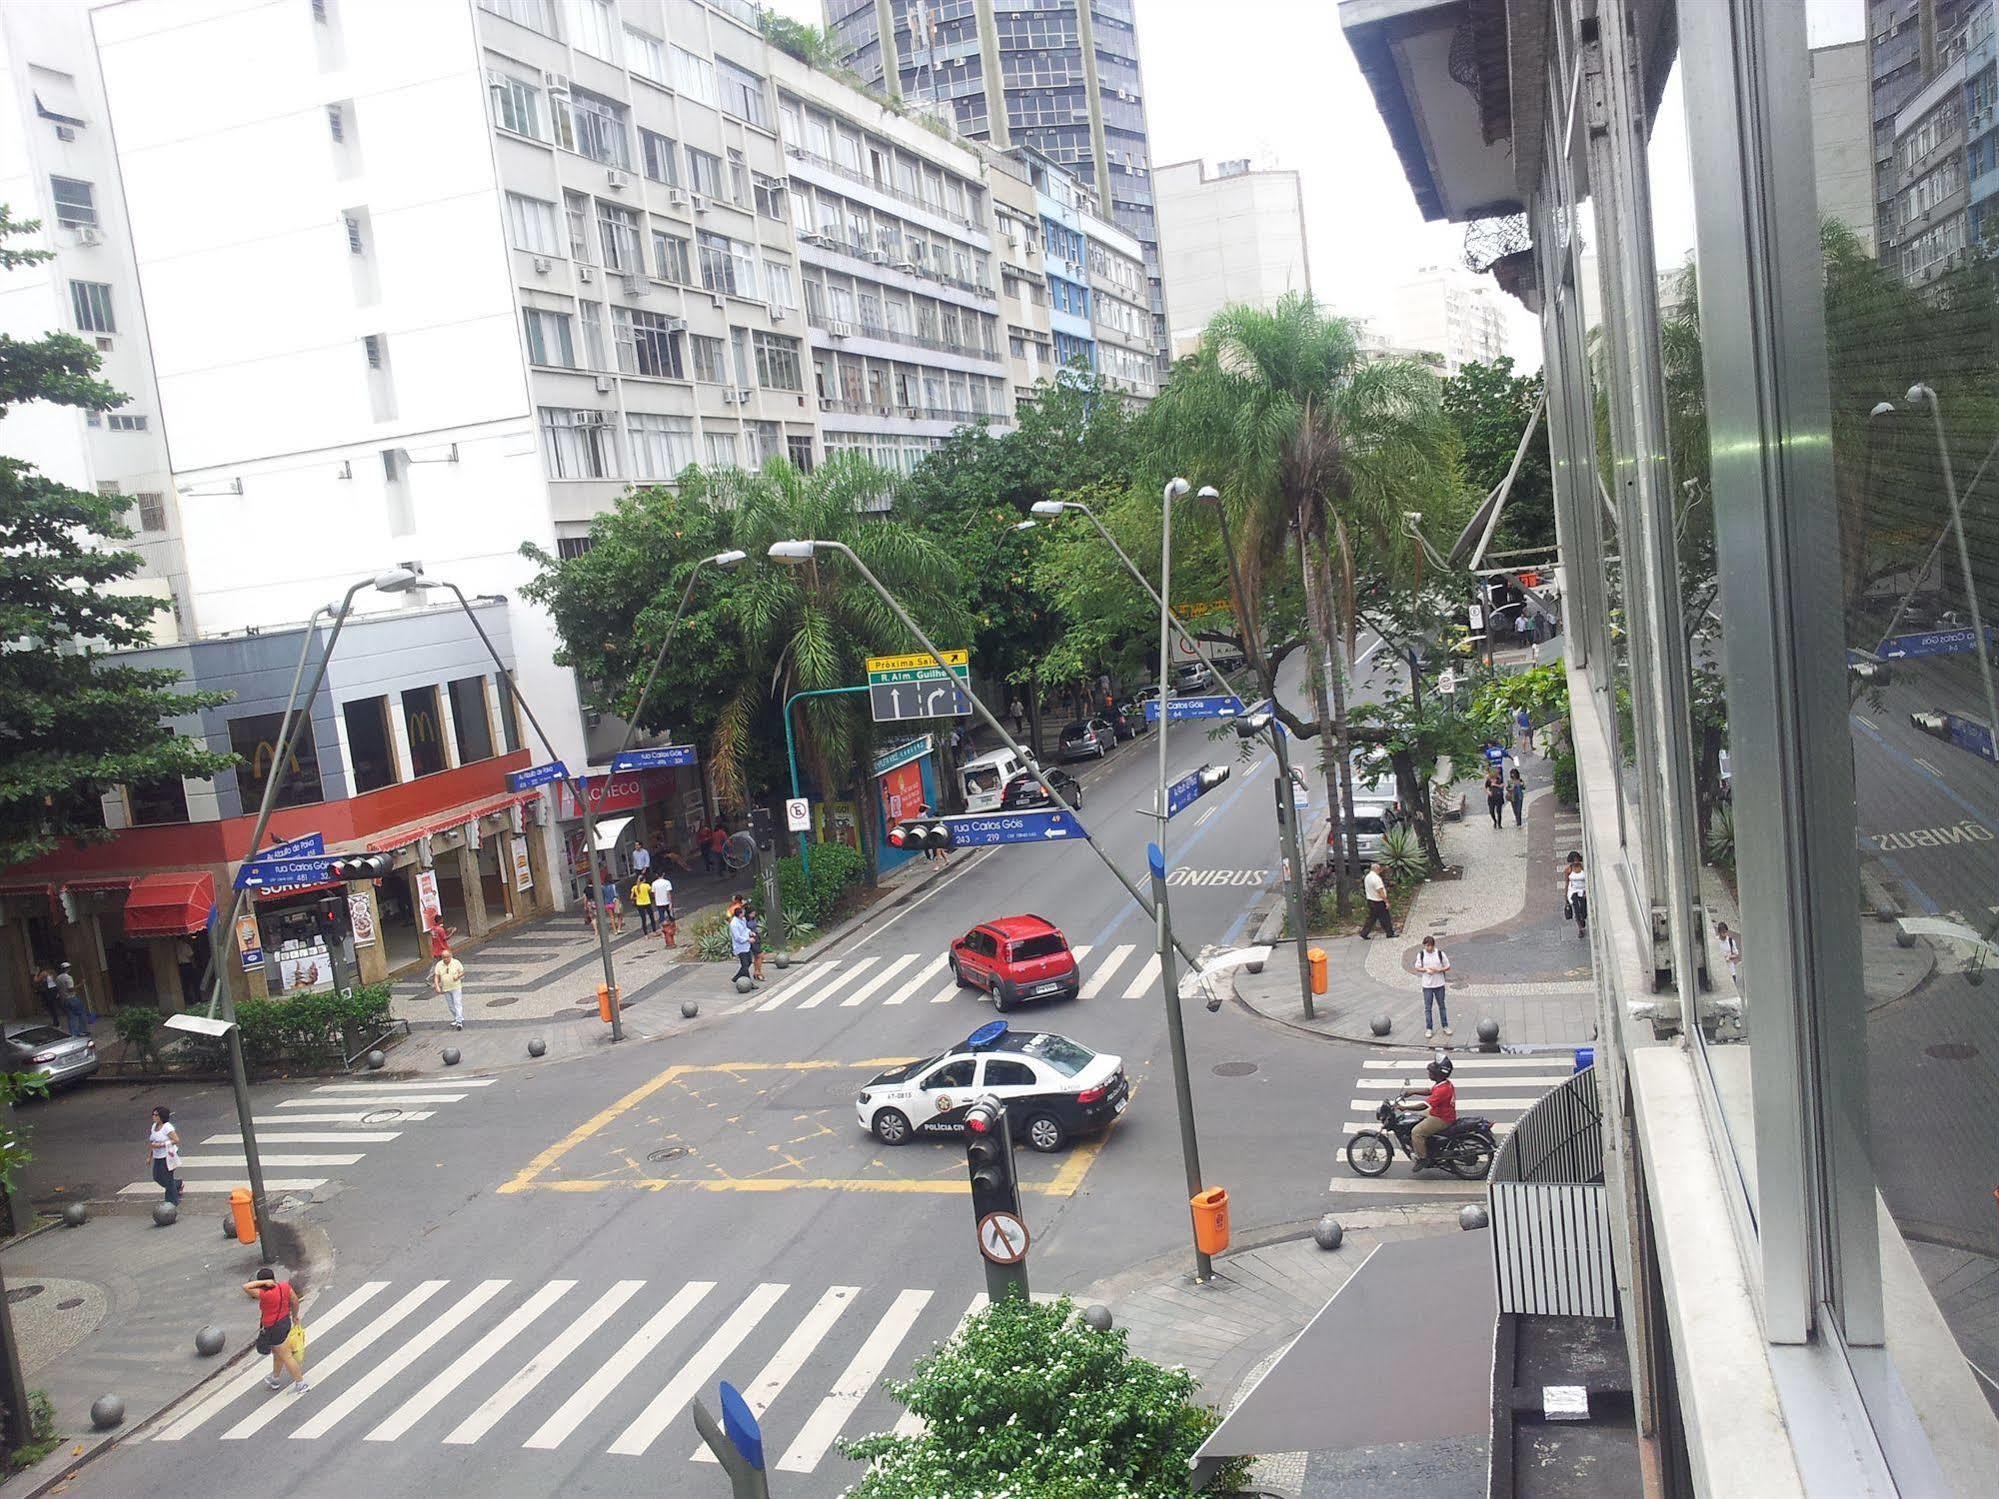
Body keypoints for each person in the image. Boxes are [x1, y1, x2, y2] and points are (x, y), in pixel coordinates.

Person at [243, 1267, 307, 1394]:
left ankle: (301, 1384)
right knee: (278, 1353)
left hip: (273, 1328)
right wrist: (294, 1316)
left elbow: (246, 1287)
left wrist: (262, 1283)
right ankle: (275, 1378)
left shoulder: (264, 1294)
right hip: (285, 1322)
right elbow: (294, 1301)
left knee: (286, 1356)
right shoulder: (284, 1286)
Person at [1401, 1054, 1457, 1169]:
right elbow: (1429, 1091)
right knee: (1416, 1118)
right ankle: (1427, 1145)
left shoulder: (1442, 1090)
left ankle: (1423, 1159)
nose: (1429, 1073)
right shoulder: (1444, 1084)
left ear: (1439, 1074)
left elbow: (1423, 1106)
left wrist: (1406, 1107)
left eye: (1432, 1071)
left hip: (1442, 1118)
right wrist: (1412, 1092)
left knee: (1416, 1132)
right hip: (1441, 1113)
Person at [1416, 935, 1452, 1039]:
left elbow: (1448, 966)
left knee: (1442, 1006)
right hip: (1427, 985)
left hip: (1439, 984)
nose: (1428, 948)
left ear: (1433, 945)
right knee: (1428, 1008)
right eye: (1426, 946)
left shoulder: (1440, 954)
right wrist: (1426, 970)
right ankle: (1429, 1028)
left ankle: (1445, 1026)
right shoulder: (1421, 954)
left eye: (1430, 946)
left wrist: (1438, 970)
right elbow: (1417, 967)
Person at [147, 1105, 182, 1210]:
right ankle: (178, 1184)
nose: (153, 1116)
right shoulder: (154, 1127)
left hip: (167, 1155)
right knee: (157, 1177)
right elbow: (152, 1143)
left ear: (161, 1116)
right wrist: (149, 1156)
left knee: (167, 1178)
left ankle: (172, 1202)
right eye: (153, 1114)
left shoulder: (167, 1127)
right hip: (158, 1157)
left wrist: (162, 1144)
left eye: (156, 1115)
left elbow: (176, 1140)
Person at [431, 946, 466, 1030]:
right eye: (444, 957)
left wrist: (457, 976)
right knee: (450, 1005)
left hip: (456, 987)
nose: (445, 959)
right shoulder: (439, 964)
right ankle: (457, 1017)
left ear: (451, 956)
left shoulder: (456, 962)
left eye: (447, 957)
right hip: (446, 988)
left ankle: (459, 1022)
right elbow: (436, 976)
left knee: (457, 1003)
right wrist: (437, 986)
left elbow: (463, 972)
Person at [1359, 861, 1395, 940]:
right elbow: (1380, 891)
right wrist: (1386, 901)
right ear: (1377, 869)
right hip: (1378, 901)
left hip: (1370, 900)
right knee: (1385, 917)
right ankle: (1390, 933)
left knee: (1372, 918)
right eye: (1380, 869)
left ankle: (1364, 933)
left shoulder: (1367, 877)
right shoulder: (1376, 879)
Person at [54, 962, 90, 1038]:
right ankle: (82, 1031)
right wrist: (81, 984)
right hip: (72, 998)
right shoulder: (68, 977)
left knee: (71, 1017)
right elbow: (70, 989)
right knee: (81, 1013)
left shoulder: (58, 978)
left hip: (63, 999)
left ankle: (73, 1034)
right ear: (68, 968)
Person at [1563, 851, 1589, 939]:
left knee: (1584, 910)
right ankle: (1580, 929)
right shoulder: (1568, 870)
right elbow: (1567, 883)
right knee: (1576, 910)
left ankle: (1583, 919)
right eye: (1574, 860)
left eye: (1577, 860)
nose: (1576, 862)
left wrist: (1587, 890)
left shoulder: (1583, 868)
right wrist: (1566, 896)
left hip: (1583, 890)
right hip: (1573, 890)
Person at [728, 900, 754, 984]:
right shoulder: (734, 924)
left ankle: (737, 977)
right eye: (743, 913)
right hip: (740, 947)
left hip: (746, 945)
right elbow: (737, 937)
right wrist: (748, 939)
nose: (744, 915)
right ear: (739, 914)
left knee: (749, 961)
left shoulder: (743, 920)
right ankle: (748, 982)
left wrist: (750, 932)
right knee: (745, 965)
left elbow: (745, 929)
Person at [33, 965, 63, 1031]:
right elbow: (56, 980)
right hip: (54, 989)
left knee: (50, 1007)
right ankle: (57, 1019)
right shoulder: (52, 972)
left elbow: (36, 980)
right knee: (54, 1006)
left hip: (48, 991)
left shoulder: (43, 973)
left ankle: (56, 1022)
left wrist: (36, 973)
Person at [651, 871, 676, 948]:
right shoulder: (667, 882)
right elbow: (668, 893)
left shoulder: (654, 883)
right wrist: (670, 902)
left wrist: (655, 901)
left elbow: (654, 894)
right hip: (666, 901)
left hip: (659, 902)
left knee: (661, 917)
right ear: (663, 874)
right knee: (670, 915)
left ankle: (663, 931)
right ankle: (673, 929)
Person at [1716, 920, 1741, 987]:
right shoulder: (1716, 942)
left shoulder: (1730, 941)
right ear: (1719, 933)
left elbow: (1736, 954)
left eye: (1726, 932)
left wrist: (1730, 957)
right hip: (1721, 972)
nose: (1725, 934)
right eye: (1723, 933)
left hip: (1731, 971)